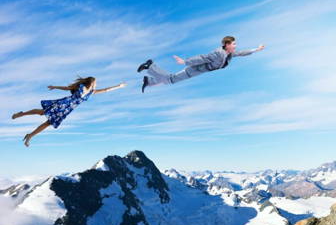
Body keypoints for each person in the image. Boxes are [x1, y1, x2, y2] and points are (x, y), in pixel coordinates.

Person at [11, 77, 126, 147]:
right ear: (91, 82)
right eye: (95, 83)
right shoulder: (80, 87)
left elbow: (106, 90)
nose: (96, 84)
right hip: (64, 103)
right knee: (42, 112)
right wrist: (55, 87)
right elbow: (67, 88)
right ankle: (21, 114)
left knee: (48, 123)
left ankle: (30, 136)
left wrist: (119, 86)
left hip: (68, 109)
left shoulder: (92, 92)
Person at [137, 36, 265, 92]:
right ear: (227, 45)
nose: (236, 46)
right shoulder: (218, 53)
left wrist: (256, 49)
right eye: (234, 44)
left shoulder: (229, 54)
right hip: (194, 69)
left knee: (168, 80)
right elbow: (202, 58)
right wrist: (185, 61)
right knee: (171, 79)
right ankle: (150, 66)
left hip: (199, 71)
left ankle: (149, 81)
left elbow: (241, 53)